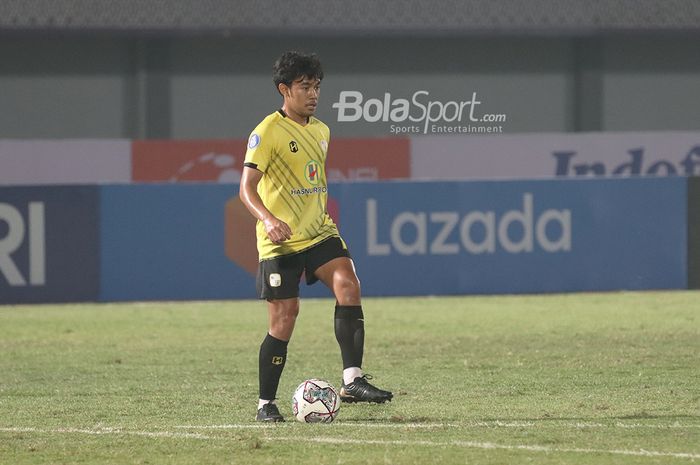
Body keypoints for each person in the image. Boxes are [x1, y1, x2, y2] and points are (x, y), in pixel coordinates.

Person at [239, 51, 393, 422]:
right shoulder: (267, 132)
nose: (313, 94)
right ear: (284, 89)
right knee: (284, 318)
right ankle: (265, 405)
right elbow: (246, 189)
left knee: (349, 285)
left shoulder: (322, 131)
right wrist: (268, 218)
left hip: (319, 233)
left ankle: (352, 380)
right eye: (304, 87)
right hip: (281, 242)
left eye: (317, 86)